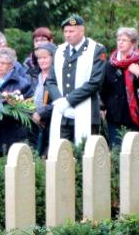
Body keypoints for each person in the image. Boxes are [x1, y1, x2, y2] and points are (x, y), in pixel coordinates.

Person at [44, 15, 106, 146]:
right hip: (62, 115)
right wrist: (60, 102)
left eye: (71, 31)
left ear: (82, 31)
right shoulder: (59, 50)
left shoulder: (96, 49)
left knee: (85, 156)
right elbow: (50, 81)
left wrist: (68, 101)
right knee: (60, 157)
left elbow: (95, 82)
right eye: (65, 31)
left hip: (87, 113)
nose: (67, 35)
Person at [100, 27, 139, 147]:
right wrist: (107, 106)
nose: (120, 42)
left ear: (133, 43)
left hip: (137, 116)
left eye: (124, 40)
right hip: (115, 116)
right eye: (119, 39)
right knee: (116, 153)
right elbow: (103, 89)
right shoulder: (110, 64)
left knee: (136, 153)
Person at [30, 42, 56, 156]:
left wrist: (42, 113)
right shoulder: (34, 76)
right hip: (34, 124)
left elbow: (60, 101)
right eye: (39, 58)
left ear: (53, 58)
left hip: (51, 124)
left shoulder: (58, 77)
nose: (41, 61)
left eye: (45, 57)